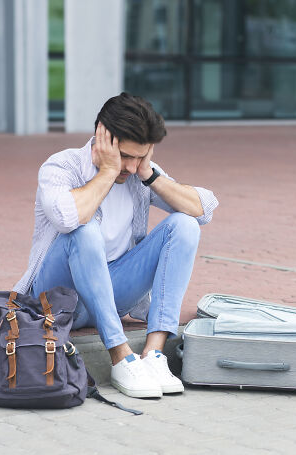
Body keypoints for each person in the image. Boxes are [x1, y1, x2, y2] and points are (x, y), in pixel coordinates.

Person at [13, 93, 218, 398]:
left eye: (141, 156)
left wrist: (151, 175)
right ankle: (120, 356)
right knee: (84, 231)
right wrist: (108, 172)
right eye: (125, 156)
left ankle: (154, 354)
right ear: (101, 137)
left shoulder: (139, 173)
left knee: (184, 225)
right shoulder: (61, 166)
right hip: (56, 296)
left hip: (112, 292)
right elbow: (68, 217)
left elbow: (203, 210)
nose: (132, 167)